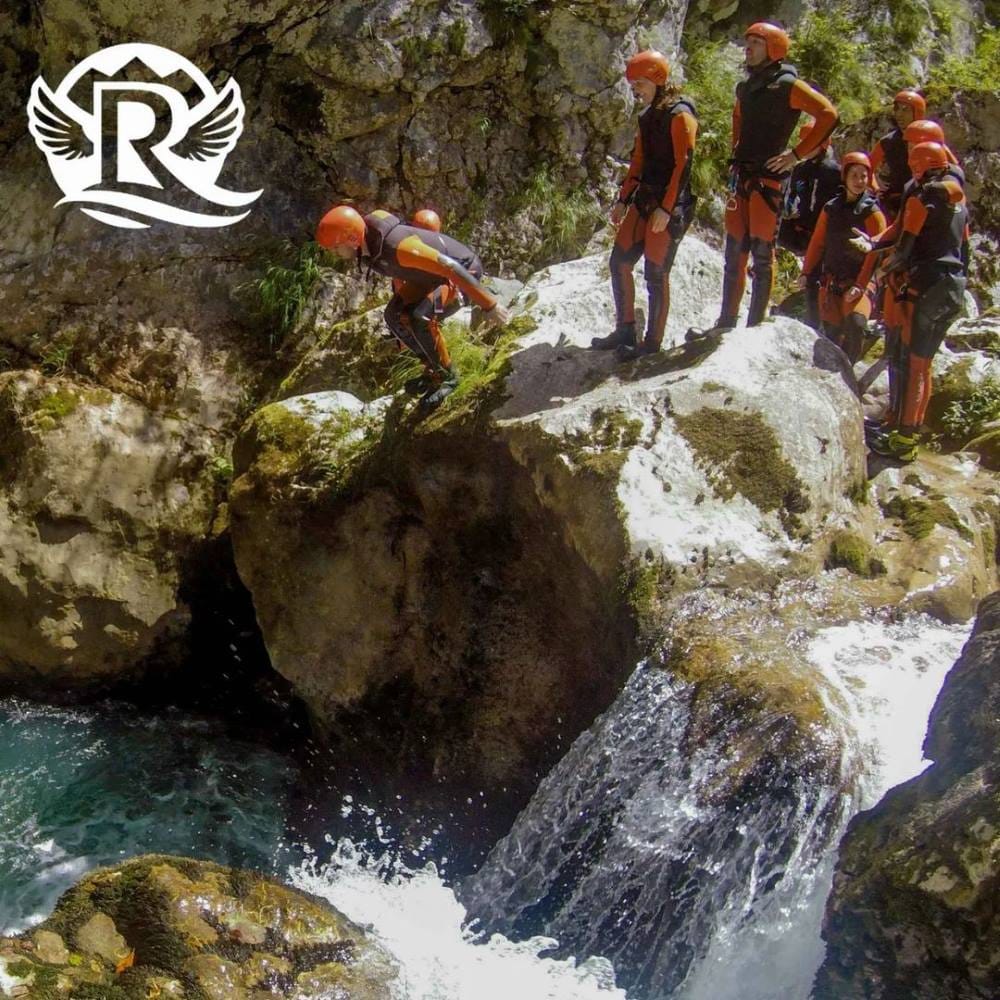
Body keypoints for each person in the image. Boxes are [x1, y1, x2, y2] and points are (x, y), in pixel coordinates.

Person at [703, 22, 838, 335]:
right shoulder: (747, 87)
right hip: (744, 174)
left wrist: (796, 155)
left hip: (768, 179)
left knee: (762, 253)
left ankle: (754, 325)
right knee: (734, 252)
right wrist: (735, 150)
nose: (747, 47)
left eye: (756, 43)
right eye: (747, 41)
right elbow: (739, 116)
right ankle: (726, 322)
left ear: (773, 48)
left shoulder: (788, 84)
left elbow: (828, 114)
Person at [315, 205, 510, 408]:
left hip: (460, 272)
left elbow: (450, 267)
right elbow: (400, 276)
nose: (334, 253)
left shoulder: (398, 247)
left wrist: (489, 305)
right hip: (429, 276)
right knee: (394, 316)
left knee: (420, 318)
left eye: (336, 247)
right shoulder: (369, 244)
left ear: (352, 239)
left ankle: (448, 378)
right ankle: (433, 370)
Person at [855, 142, 969, 461]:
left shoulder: (922, 199)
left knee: (912, 363)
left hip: (928, 286)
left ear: (919, 166)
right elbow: (964, 245)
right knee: (924, 365)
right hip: (953, 285)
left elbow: (903, 252)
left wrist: (877, 273)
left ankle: (903, 440)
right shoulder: (956, 203)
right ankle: (908, 431)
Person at [591, 49, 698, 359]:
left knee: (655, 272)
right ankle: (625, 329)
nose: (635, 89)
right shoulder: (648, 116)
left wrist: (666, 209)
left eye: (640, 83)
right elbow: (638, 161)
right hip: (647, 198)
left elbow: (684, 164)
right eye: (633, 84)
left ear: (657, 79)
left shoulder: (681, 114)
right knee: (619, 262)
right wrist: (623, 200)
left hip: (670, 203)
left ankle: (652, 344)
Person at [801, 152, 886, 362]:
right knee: (831, 334)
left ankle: (849, 370)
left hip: (861, 282)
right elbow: (818, 243)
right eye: (854, 176)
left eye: (864, 177)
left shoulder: (873, 213)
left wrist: (860, 284)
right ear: (845, 178)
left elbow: (876, 253)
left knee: (856, 325)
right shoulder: (831, 208)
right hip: (832, 282)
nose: (859, 181)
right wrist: (806, 272)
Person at [777, 119, 842, 255]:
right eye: (802, 142)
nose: (803, 146)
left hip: (821, 234)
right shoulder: (800, 169)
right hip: (799, 230)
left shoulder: (834, 172)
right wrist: (789, 212)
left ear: (822, 145)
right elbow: (791, 195)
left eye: (808, 142)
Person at [869, 89, 926, 218]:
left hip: (926, 199)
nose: (899, 114)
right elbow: (867, 167)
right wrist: (876, 189)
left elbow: (952, 169)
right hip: (896, 203)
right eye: (897, 109)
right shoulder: (888, 141)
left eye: (905, 110)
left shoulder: (930, 136)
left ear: (917, 112)